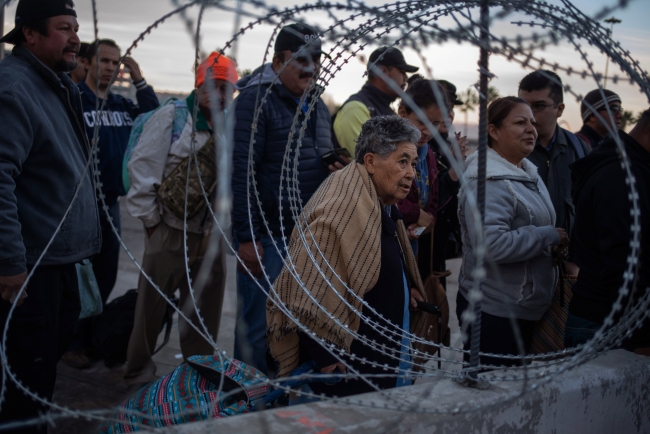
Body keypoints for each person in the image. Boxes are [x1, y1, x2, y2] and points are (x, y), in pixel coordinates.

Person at [267, 115, 429, 397]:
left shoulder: (377, 201)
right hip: (350, 369)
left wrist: (405, 290)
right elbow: (305, 288)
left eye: (413, 164)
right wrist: (327, 357)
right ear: (370, 162)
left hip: (377, 356)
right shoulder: (342, 209)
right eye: (402, 162)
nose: (411, 173)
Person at [0, 0, 101, 430]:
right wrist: (9, 265)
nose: (76, 37)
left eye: (76, 27)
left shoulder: (55, 85)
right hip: (30, 271)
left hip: (55, 262)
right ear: (30, 34)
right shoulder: (15, 89)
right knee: (26, 384)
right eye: (64, 27)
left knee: (39, 375)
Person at [231, 23, 336, 375]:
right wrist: (246, 237)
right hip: (269, 240)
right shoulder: (254, 101)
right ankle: (245, 406)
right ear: (278, 61)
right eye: (302, 59)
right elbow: (240, 172)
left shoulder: (316, 104)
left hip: (307, 239)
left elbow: (316, 156)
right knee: (259, 329)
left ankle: (279, 407)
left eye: (317, 58)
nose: (311, 66)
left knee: (295, 331)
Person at [123, 52, 234, 386]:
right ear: (198, 83)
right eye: (212, 85)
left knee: (203, 314)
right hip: (169, 231)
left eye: (226, 87)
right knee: (150, 310)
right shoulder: (173, 118)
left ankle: (197, 376)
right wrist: (153, 223)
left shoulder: (230, 126)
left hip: (209, 236)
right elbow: (142, 170)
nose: (218, 94)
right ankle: (137, 371)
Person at [63, 38, 159, 369]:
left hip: (111, 205)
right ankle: (71, 340)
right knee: (79, 276)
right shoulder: (76, 100)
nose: (110, 68)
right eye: (103, 61)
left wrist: (139, 79)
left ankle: (88, 337)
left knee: (104, 274)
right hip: (79, 204)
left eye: (115, 62)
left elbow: (154, 117)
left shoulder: (119, 105)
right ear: (87, 63)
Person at [456, 97, 567, 366]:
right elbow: (492, 245)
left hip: (522, 310)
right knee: (494, 397)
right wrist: (549, 236)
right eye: (520, 122)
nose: (531, 128)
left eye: (532, 121)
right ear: (493, 132)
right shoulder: (488, 182)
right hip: (496, 313)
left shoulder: (526, 172)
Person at [565, 109, 650, 352]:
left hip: (611, 322)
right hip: (606, 325)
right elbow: (625, 262)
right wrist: (642, 338)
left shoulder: (629, 168)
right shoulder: (621, 176)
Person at [518, 70, 589, 276]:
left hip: (566, 270)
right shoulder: (504, 149)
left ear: (559, 109)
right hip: (519, 271)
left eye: (538, 106)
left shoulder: (579, 149)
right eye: (523, 105)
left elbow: (587, 210)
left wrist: (576, 259)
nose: (529, 114)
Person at [333, 46, 419, 156]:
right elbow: (371, 164)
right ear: (383, 71)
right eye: (402, 72)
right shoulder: (356, 108)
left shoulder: (386, 109)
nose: (406, 78)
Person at [395, 77, 447, 258]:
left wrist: (427, 221)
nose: (428, 131)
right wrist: (415, 213)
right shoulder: (387, 150)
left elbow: (433, 196)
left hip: (413, 242)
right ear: (402, 113)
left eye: (435, 124)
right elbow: (379, 198)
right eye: (422, 122)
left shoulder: (428, 154)